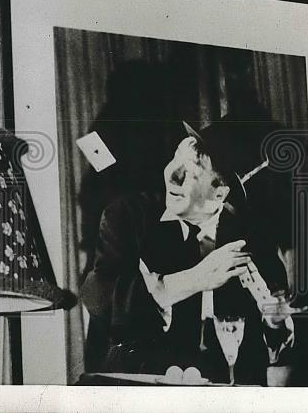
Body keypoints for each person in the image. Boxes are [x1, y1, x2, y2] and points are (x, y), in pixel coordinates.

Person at [81, 134, 296, 384]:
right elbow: (97, 298)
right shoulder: (127, 216)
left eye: (194, 170)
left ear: (219, 194)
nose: (173, 174)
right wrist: (194, 279)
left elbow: (277, 343)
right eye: (175, 158)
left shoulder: (252, 236)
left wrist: (275, 322)